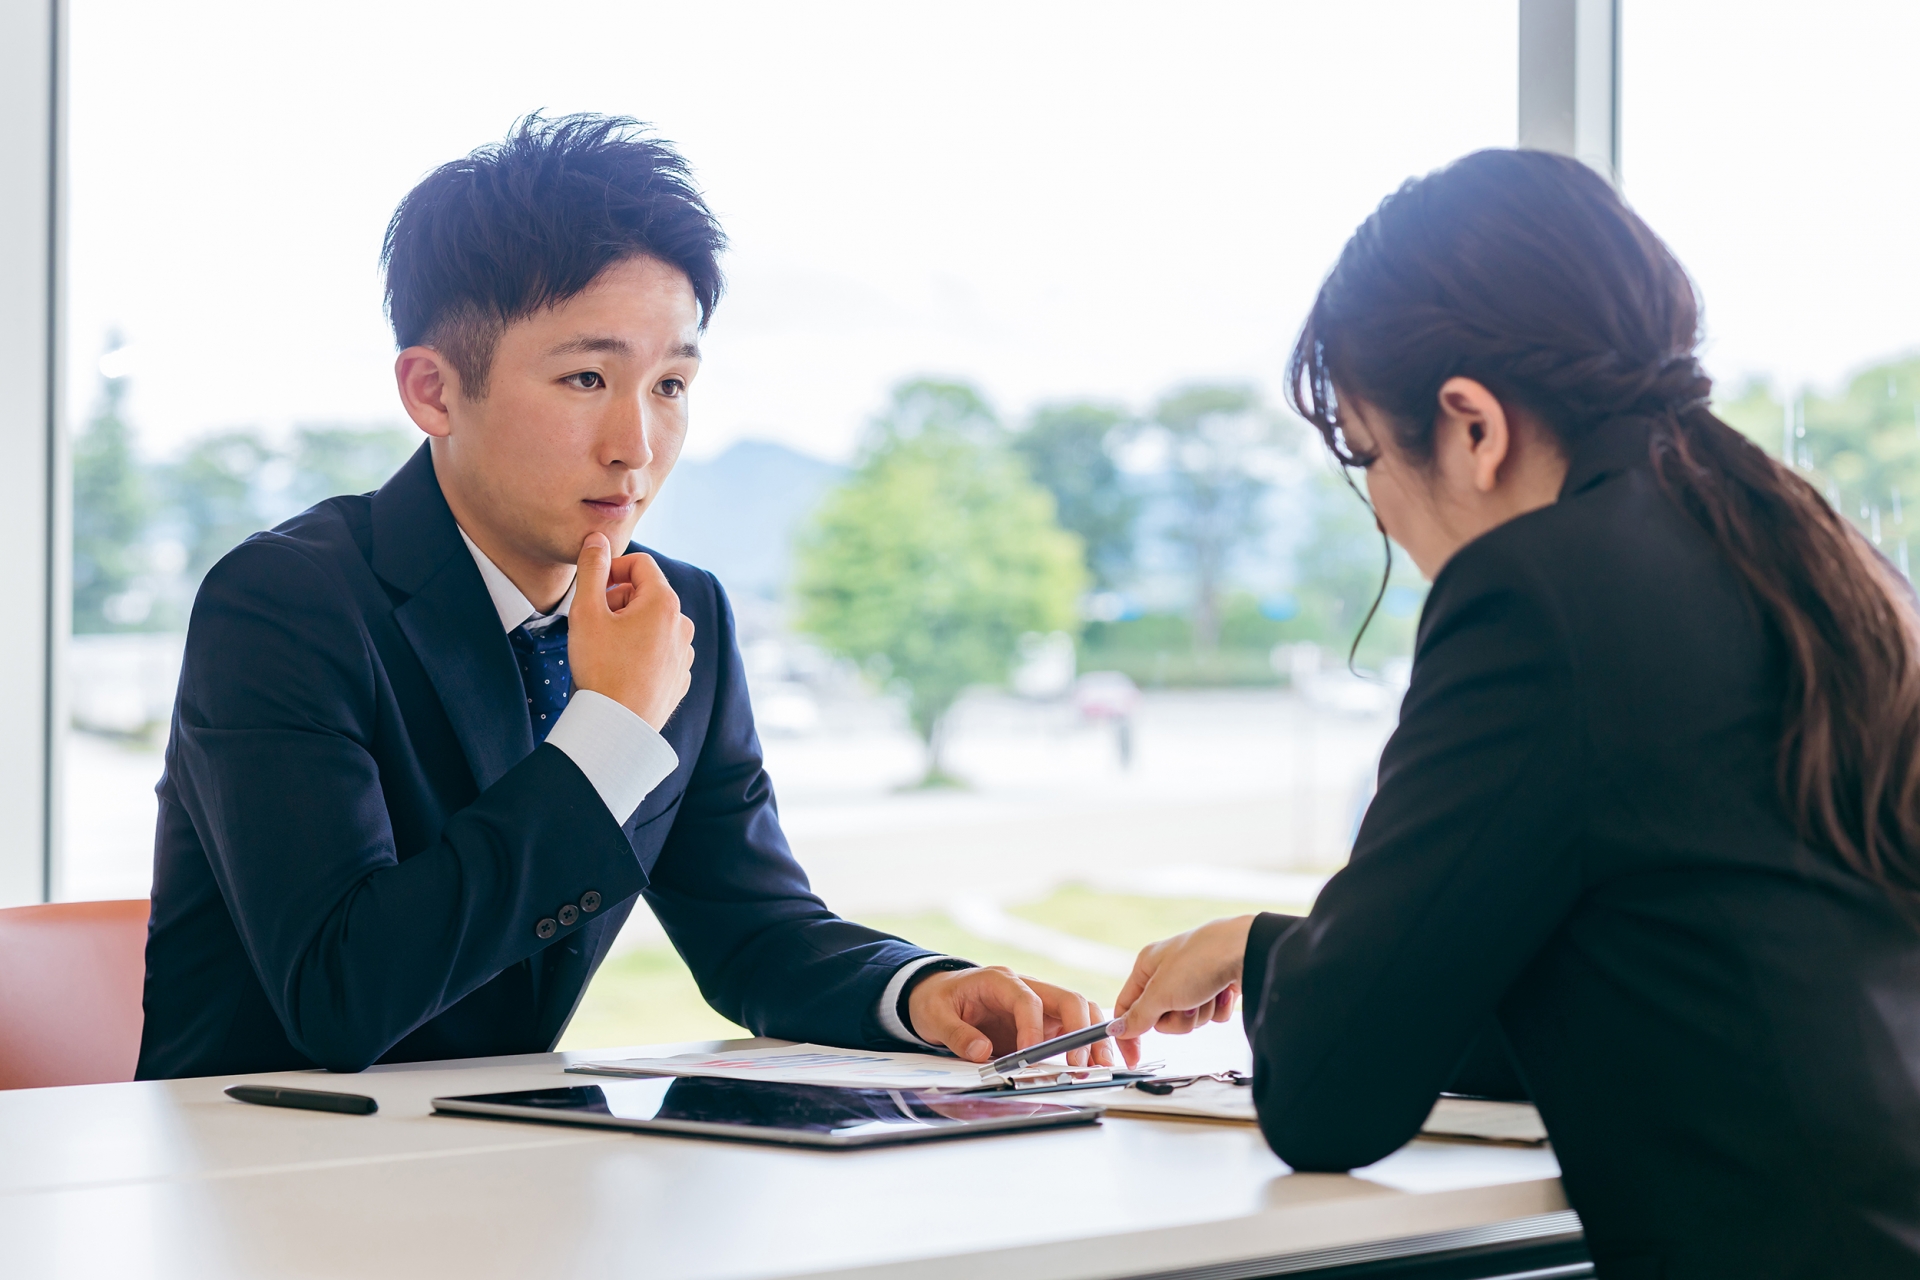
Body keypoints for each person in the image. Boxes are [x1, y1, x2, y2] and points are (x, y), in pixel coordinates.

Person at [137, 114, 1111, 1080]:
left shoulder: (681, 614)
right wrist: (608, 726)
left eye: (672, 385)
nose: (637, 445)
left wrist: (915, 992)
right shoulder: (282, 605)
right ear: (433, 391)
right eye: (588, 376)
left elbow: (752, 927)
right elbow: (340, 996)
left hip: (510, 1174)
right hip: (260, 1175)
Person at [1109, 149, 1920, 1277]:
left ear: (1471, 423)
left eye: (1366, 453)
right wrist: (1263, 955)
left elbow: (1330, 1097)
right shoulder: (1821, 560)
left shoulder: (1542, 594)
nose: (1382, 513)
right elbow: (1644, 980)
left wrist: (1285, 971)